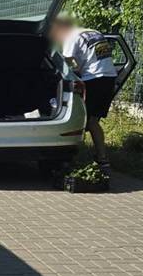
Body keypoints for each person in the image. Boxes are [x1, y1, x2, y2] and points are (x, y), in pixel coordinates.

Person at [50, 15, 117, 170]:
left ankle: (99, 158)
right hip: (109, 77)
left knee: (84, 120)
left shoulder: (71, 37)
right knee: (93, 120)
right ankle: (100, 157)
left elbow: (65, 64)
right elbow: (95, 58)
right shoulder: (93, 32)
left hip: (94, 79)